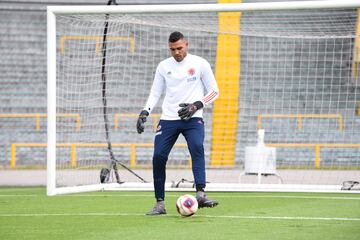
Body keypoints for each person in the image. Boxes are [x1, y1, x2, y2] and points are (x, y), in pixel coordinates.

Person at [137, 31, 219, 215]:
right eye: (173, 49)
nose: (176, 52)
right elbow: (155, 93)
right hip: (168, 119)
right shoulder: (163, 66)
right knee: (158, 156)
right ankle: (160, 204)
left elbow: (214, 91)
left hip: (193, 118)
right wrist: (145, 112)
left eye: (179, 48)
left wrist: (196, 105)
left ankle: (200, 194)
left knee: (197, 147)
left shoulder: (200, 63)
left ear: (187, 45)